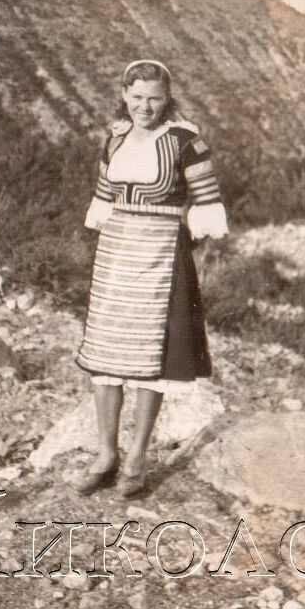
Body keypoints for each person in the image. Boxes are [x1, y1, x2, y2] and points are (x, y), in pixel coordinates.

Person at [75, 59, 228, 496]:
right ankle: (106, 454)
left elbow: (206, 202)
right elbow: (104, 198)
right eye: (137, 97)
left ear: (167, 98)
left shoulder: (186, 142)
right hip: (115, 255)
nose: (145, 106)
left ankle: (137, 459)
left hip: (161, 254)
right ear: (125, 95)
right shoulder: (115, 138)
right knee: (106, 357)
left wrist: (184, 251)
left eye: (154, 98)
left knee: (149, 361)